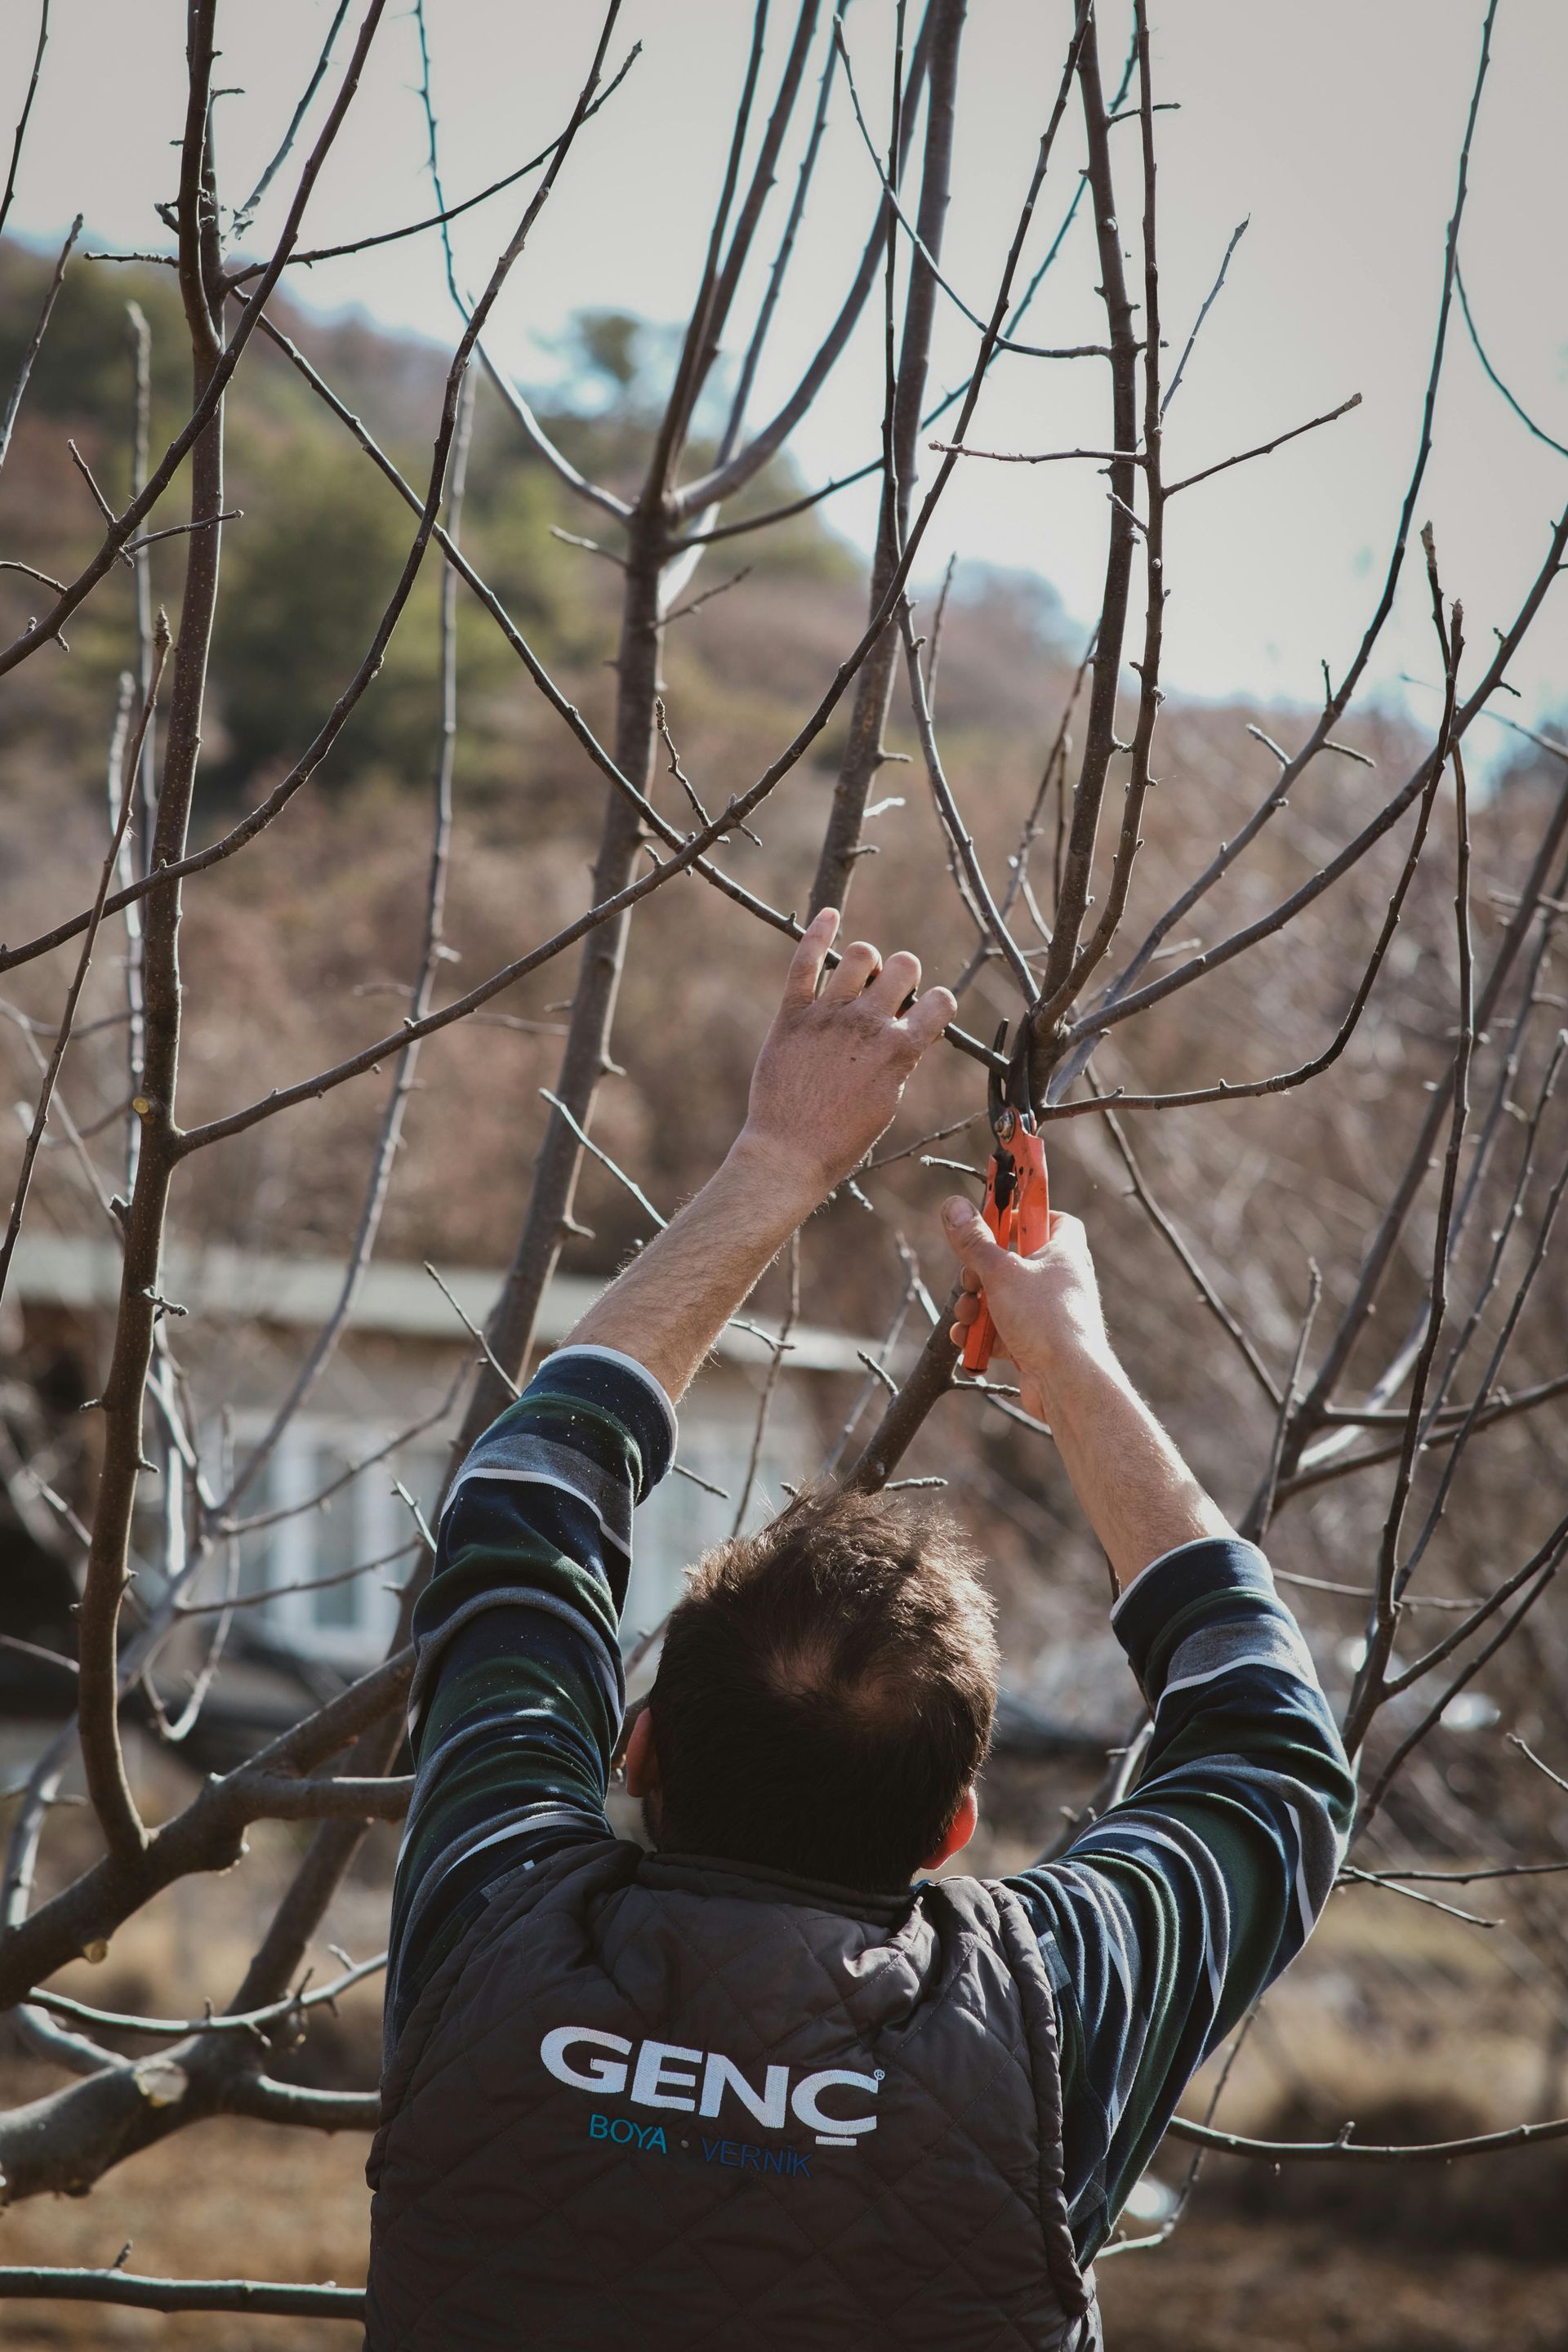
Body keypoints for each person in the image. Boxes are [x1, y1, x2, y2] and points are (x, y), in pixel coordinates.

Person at [365, 910, 1354, 2351]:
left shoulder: (493, 1925)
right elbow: (1270, 1756)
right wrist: (1069, 1360)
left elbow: (524, 1508)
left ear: (637, 1749)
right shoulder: (1035, 2020)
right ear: (954, 1828)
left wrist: (774, 1164)